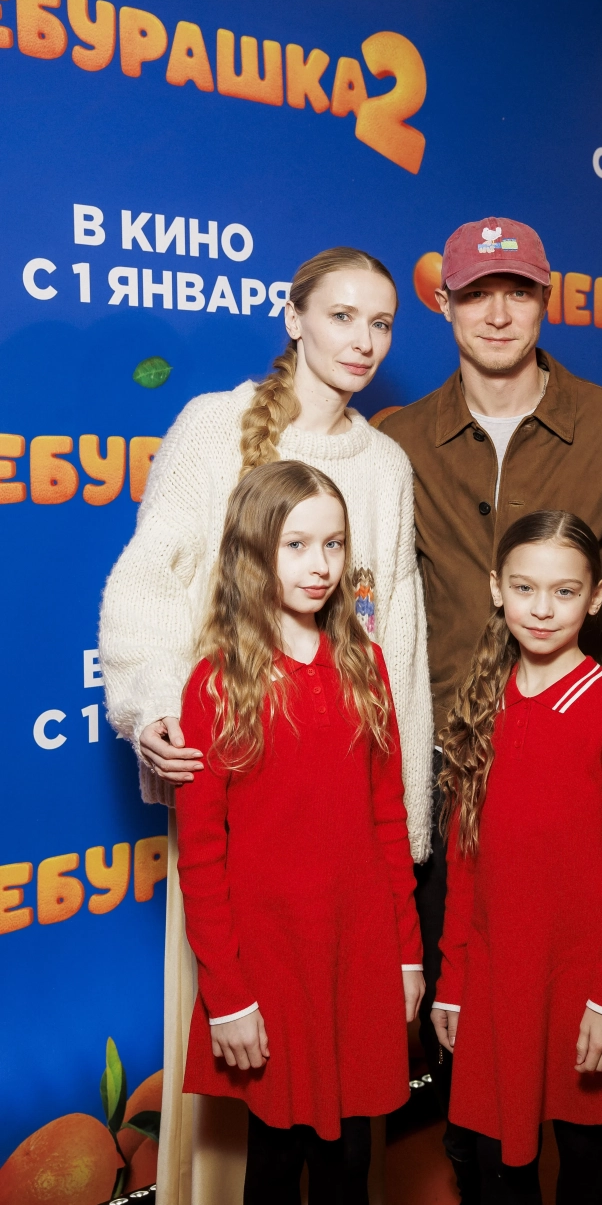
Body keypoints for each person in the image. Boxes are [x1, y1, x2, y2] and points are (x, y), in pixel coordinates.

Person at [99, 247, 432, 1205]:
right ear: (294, 317)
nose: (364, 341)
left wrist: (405, 838)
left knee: (343, 1108)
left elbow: (397, 640)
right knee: (251, 1075)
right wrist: (151, 704)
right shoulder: (214, 424)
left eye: (382, 323)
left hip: (344, 814)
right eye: (342, 316)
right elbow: (151, 574)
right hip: (240, 781)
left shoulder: (387, 464)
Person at [380, 217, 602, 1198]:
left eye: (516, 290)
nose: (497, 313)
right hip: (456, 781)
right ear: (444, 304)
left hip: (575, 778)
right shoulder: (394, 443)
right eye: (476, 293)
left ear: (545, 296)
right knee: (473, 1058)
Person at [176, 460, 424, 1205]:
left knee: (350, 1158)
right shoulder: (217, 683)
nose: (321, 566)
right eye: (297, 545)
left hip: (359, 952)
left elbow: (388, 818)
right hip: (272, 965)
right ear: (254, 550)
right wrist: (228, 996)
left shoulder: (365, 665)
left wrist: (407, 952)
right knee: (277, 1161)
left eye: (334, 544)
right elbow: (202, 857)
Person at [432, 511, 602, 1205]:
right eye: (524, 587)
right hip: (498, 979)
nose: (542, 609)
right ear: (495, 587)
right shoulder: (482, 702)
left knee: (592, 1172)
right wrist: (453, 980)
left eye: (564, 592)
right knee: (497, 1171)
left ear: (596, 597)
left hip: (584, 983)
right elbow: (465, 861)